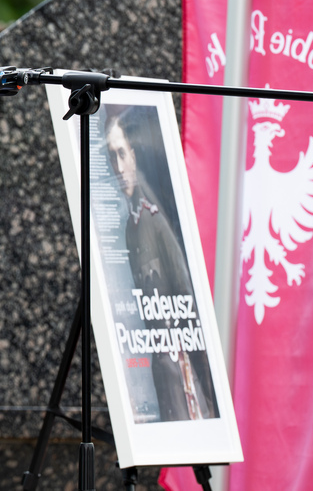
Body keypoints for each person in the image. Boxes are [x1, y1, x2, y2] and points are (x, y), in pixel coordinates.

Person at [104, 107, 217, 422]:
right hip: (153, 364)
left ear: (135, 156)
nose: (118, 165)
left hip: (179, 368)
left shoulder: (153, 219)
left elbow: (184, 295)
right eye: (111, 156)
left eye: (122, 153)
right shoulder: (131, 225)